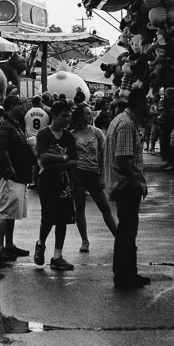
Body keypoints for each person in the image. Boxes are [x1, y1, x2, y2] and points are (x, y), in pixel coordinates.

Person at [105, 88, 151, 288]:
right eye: (147, 103)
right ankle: (123, 275)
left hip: (123, 184)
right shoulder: (126, 123)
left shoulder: (122, 120)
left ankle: (129, 272)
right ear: (140, 104)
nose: (149, 106)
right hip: (125, 185)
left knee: (128, 231)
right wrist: (134, 181)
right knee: (126, 231)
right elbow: (122, 158)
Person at [33, 100, 79, 271]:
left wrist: (56, 163)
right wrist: (64, 159)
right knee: (48, 218)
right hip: (47, 183)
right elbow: (42, 157)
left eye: (69, 116)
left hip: (64, 184)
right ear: (54, 115)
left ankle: (57, 256)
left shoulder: (68, 137)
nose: (67, 119)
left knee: (63, 220)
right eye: (63, 116)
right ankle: (40, 244)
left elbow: (75, 161)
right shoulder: (43, 135)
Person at [69, 104, 118, 253]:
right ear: (79, 116)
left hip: (94, 173)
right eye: (87, 114)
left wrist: (102, 176)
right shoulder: (71, 134)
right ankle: (84, 240)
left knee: (105, 207)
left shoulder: (97, 132)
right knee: (80, 208)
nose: (90, 116)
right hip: (77, 173)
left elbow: (103, 155)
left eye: (90, 113)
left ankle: (119, 237)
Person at [0, 95, 35, 263]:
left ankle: (9, 245)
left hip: (17, 176)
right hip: (9, 176)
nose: (23, 109)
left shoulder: (13, 124)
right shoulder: (3, 125)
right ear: (11, 106)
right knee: (4, 211)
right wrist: (10, 167)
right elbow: (1, 149)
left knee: (11, 212)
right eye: (20, 105)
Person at [24, 97, 49, 190]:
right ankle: (41, 181)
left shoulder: (27, 113)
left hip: (30, 139)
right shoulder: (45, 113)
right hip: (42, 138)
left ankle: (32, 181)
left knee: (33, 162)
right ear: (40, 103)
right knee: (42, 160)